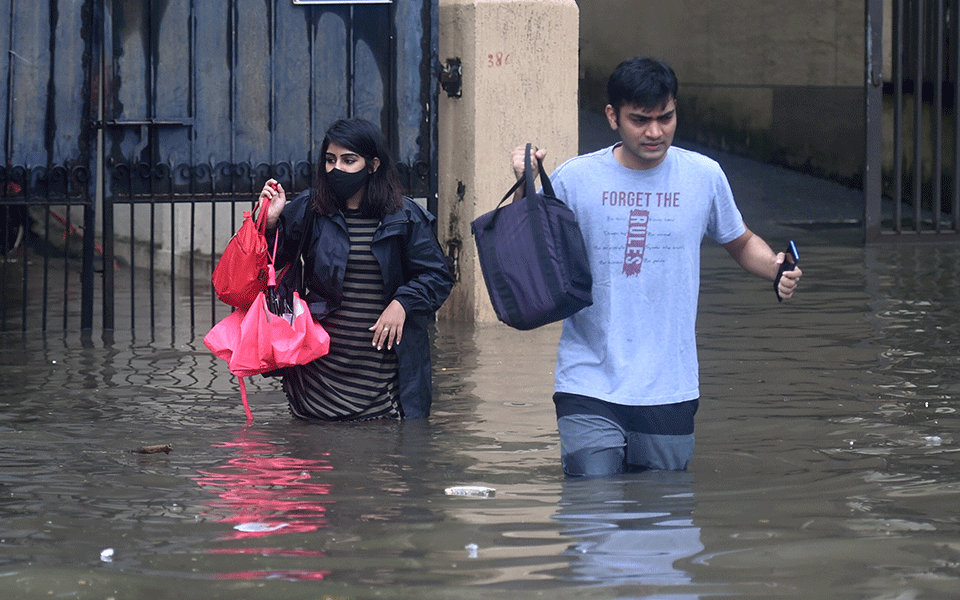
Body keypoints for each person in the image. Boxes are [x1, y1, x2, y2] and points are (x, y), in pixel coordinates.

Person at [511, 57, 802, 477]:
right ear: (612, 117)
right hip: (587, 380)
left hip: (670, 385)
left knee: (663, 520)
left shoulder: (703, 176)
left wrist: (775, 267)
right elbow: (524, 248)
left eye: (666, 118)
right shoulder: (576, 179)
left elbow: (739, 241)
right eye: (640, 120)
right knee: (592, 512)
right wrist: (526, 185)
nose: (655, 132)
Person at [258, 117, 454, 421]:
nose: (337, 169)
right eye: (330, 160)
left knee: (384, 455)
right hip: (317, 377)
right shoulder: (311, 209)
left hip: (383, 381)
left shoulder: (406, 216)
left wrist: (403, 302)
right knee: (317, 458)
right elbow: (270, 263)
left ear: (373, 165)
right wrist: (270, 223)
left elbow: (438, 276)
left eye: (349, 160)